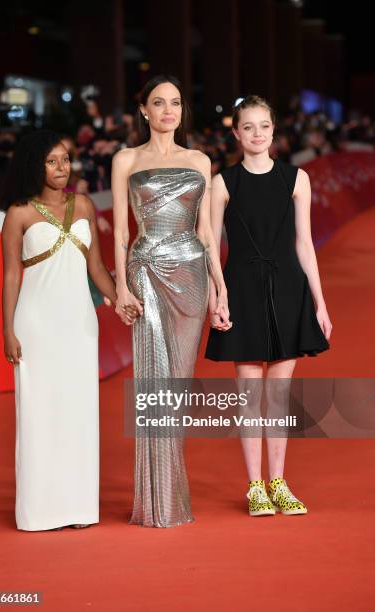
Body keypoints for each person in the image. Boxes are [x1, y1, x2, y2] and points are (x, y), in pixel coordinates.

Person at [1, 130, 136, 531]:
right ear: (34, 165)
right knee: (39, 415)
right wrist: (7, 330)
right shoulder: (19, 213)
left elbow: (96, 268)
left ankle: (78, 508)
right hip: (36, 325)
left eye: (65, 159)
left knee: (78, 414)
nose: (62, 168)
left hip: (79, 323)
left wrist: (121, 299)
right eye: (52, 161)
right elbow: (11, 276)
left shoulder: (84, 206)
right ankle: (39, 511)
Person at [112, 75, 231, 528]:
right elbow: (122, 231)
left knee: (176, 387)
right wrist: (122, 286)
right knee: (152, 381)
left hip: (191, 275)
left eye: (176, 103)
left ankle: (168, 494)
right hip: (145, 272)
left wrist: (219, 288)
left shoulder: (199, 159)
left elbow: (205, 232)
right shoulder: (126, 158)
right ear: (143, 109)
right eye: (158, 103)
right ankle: (157, 501)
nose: (168, 111)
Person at [205, 96, 332, 517]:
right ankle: (255, 486)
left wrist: (320, 303)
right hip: (241, 288)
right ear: (236, 133)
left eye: (264, 126)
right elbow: (209, 244)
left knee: (277, 395)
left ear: (274, 132)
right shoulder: (223, 183)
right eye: (248, 127)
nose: (257, 134)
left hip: (288, 288)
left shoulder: (297, 179)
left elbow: (304, 243)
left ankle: (279, 482)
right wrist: (216, 296)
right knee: (248, 393)